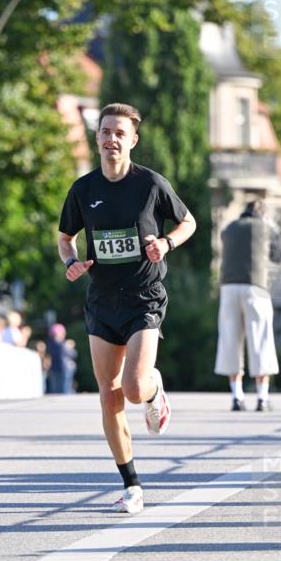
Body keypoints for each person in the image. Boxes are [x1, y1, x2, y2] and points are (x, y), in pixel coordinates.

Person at [58, 101, 196, 515]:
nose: (111, 139)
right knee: (109, 395)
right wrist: (71, 262)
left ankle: (155, 391)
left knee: (134, 389)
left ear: (133, 140)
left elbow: (188, 222)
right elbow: (66, 237)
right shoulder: (83, 190)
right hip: (102, 301)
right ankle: (132, 484)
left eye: (120, 133)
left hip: (143, 297)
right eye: (105, 131)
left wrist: (166, 243)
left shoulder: (150, 184)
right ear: (96, 137)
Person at [214, 198, 281, 411]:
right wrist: (272, 227)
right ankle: (262, 398)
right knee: (260, 340)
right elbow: (278, 256)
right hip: (256, 287)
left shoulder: (228, 229)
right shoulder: (265, 227)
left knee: (230, 340)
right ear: (263, 213)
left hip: (228, 288)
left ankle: (237, 397)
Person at [47, 323, 78, 394]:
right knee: (64, 389)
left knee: (57, 389)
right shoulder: (62, 344)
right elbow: (73, 354)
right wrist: (69, 347)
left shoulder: (51, 343)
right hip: (64, 368)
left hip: (55, 368)